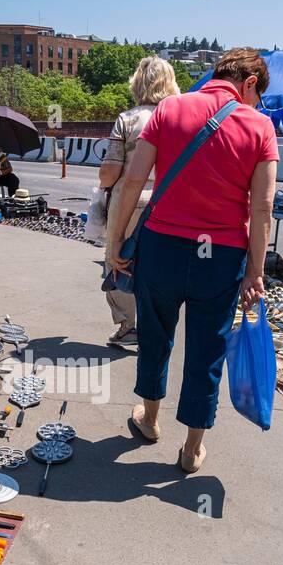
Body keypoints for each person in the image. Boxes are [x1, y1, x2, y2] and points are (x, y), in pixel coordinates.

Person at [105, 47, 277, 475]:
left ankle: (149, 420)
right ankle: (190, 448)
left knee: (155, 336)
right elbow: (262, 209)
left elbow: (132, 184)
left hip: (162, 246)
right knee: (206, 349)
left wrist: (115, 242)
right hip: (219, 258)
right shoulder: (260, 126)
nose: (255, 104)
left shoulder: (169, 110)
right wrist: (255, 272)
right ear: (250, 83)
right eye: (257, 95)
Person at [99, 55, 181, 348]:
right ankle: (157, 326)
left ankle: (128, 326)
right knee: (159, 266)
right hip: (170, 203)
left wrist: (104, 184)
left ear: (138, 83)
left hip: (130, 202)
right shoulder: (181, 118)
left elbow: (110, 171)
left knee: (119, 260)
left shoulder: (128, 118)